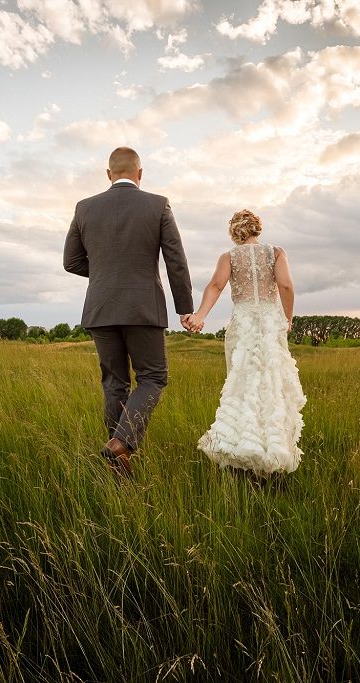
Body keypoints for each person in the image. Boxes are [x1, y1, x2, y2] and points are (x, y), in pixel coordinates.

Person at [63, 146, 197, 480]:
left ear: (109, 174)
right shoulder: (158, 204)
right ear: (140, 173)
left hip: (101, 306)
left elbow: (71, 262)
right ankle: (121, 444)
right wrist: (185, 308)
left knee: (114, 382)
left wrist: (107, 273)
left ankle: (117, 461)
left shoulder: (84, 208)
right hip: (144, 307)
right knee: (153, 377)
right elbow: (175, 259)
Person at [185, 209, 306, 481]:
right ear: (257, 229)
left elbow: (215, 286)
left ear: (235, 231)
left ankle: (242, 453)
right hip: (269, 324)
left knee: (242, 385)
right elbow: (285, 286)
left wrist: (200, 316)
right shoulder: (275, 252)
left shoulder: (229, 257)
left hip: (243, 324)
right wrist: (287, 318)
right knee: (270, 386)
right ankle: (272, 455)